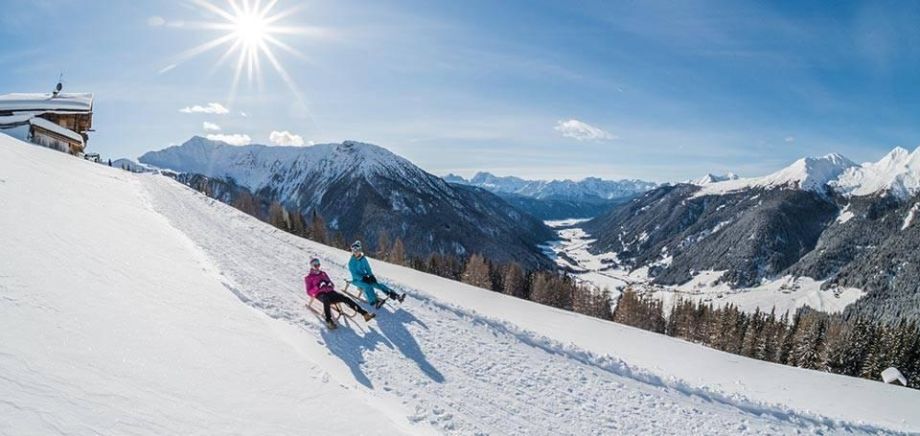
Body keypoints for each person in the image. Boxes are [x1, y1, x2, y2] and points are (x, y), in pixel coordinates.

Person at [305, 257, 375, 329]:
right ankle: (329, 321)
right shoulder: (309, 278)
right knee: (326, 300)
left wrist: (330, 284)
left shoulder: (323, 274)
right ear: (312, 266)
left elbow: (331, 283)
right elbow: (309, 292)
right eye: (315, 265)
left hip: (330, 292)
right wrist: (318, 287)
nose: (317, 267)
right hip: (320, 294)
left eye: (318, 264)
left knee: (344, 298)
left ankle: (364, 314)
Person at [348, 240, 405, 309]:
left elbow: (368, 268)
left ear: (360, 250)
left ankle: (395, 295)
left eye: (357, 250)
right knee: (367, 286)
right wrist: (363, 278)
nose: (355, 252)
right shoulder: (351, 262)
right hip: (357, 280)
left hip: (365, 277)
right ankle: (375, 301)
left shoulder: (363, 259)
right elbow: (354, 275)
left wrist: (371, 276)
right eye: (354, 251)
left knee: (377, 284)